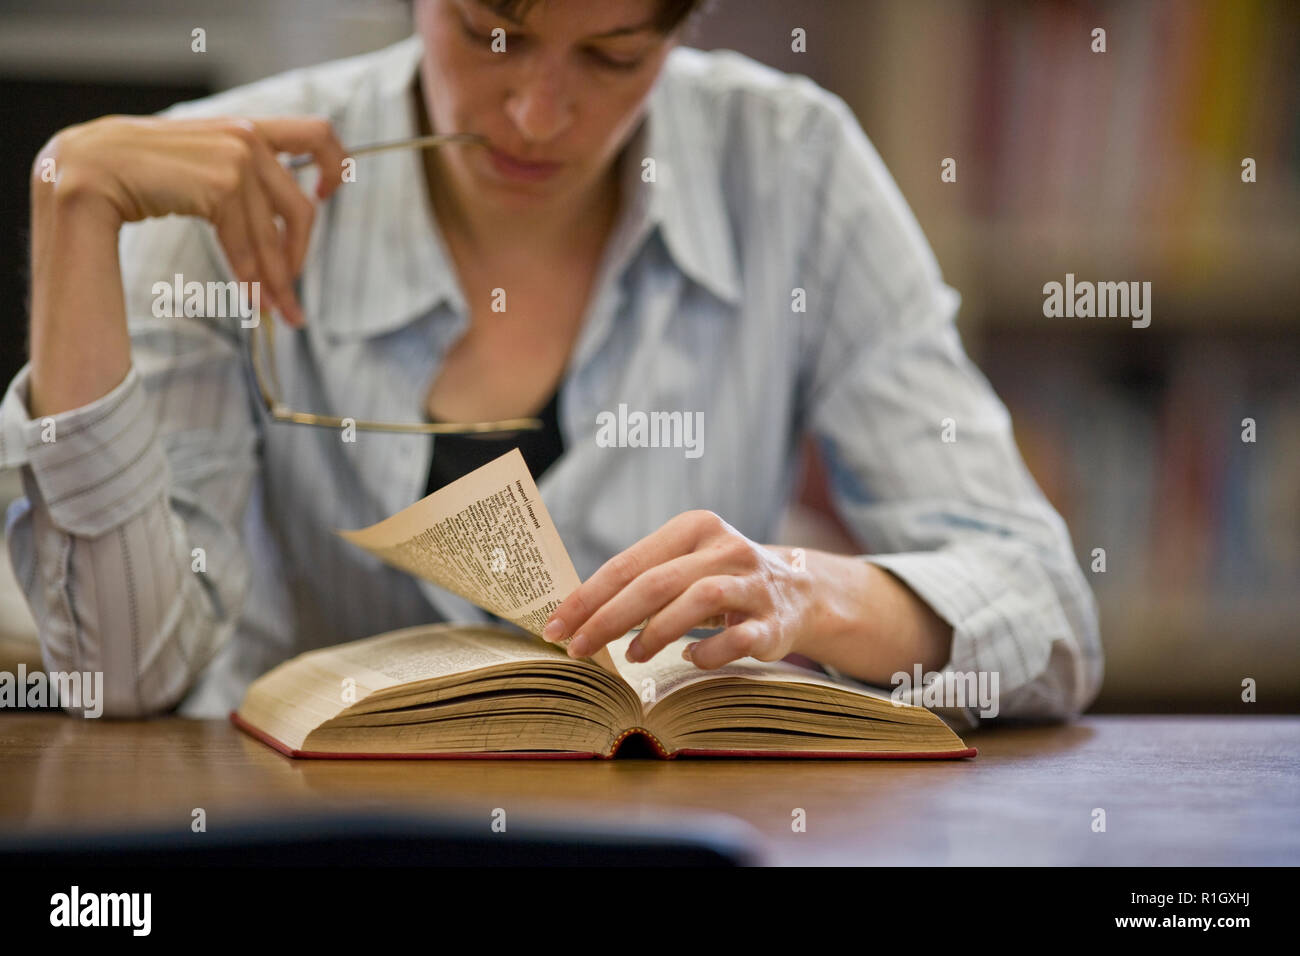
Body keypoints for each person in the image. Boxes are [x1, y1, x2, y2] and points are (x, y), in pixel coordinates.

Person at [0, 0, 1101, 723]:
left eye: (613, 57)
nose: (536, 113)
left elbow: (1047, 612)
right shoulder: (218, 183)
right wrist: (72, 212)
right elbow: (126, 673)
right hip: (299, 846)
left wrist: (808, 592)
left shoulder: (793, 168)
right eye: (491, 35)